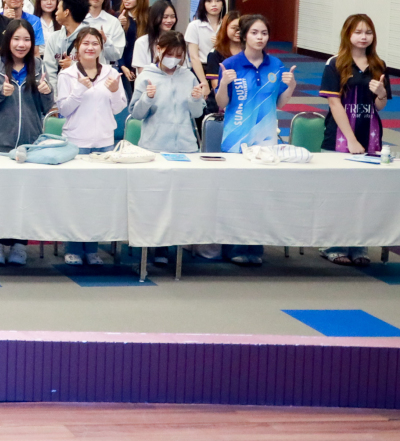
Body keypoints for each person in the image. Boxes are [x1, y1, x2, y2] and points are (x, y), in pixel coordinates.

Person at [0, 19, 56, 265]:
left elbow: (45, 107)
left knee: (24, 197)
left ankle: (20, 244)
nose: (21, 44)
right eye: (17, 39)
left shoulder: (38, 66)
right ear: (8, 40)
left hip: (29, 144)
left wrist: (46, 92)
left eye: (27, 40)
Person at [215, 13, 297, 267]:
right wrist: (223, 84)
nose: (260, 38)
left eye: (264, 33)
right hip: (236, 139)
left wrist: (291, 86)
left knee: (261, 195)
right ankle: (232, 246)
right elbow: (221, 103)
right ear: (244, 36)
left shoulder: (276, 65)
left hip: (266, 140)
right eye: (254, 33)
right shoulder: (231, 64)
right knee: (237, 195)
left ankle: (255, 247)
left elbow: (280, 103)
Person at [126, 30, 207, 268]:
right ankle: (155, 247)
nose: (174, 59)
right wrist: (147, 98)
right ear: (159, 50)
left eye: (179, 55)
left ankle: (179, 244)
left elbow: (197, 113)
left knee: (182, 200)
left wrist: (195, 99)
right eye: (171, 53)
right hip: (155, 147)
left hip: (185, 148)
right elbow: (136, 113)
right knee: (156, 201)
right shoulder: (146, 76)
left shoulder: (188, 76)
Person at [320, 14, 393, 266]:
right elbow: (334, 103)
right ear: (347, 34)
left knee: (364, 194)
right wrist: (350, 140)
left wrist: (381, 93)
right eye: (358, 32)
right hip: (340, 138)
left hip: (370, 136)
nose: (363, 37)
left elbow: (380, 106)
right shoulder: (335, 63)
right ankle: (333, 244)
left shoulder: (378, 64)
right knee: (339, 193)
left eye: (368, 32)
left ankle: (358, 244)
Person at [56, 26, 127, 265]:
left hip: (104, 143)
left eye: (95, 43)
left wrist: (115, 92)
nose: (90, 47)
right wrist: (79, 89)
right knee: (75, 198)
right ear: (77, 47)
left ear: (101, 47)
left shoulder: (111, 73)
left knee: (99, 199)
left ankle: (92, 248)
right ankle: (73, 247)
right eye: (85, 43)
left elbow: (118, 108)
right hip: (76, 143)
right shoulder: (67, 75)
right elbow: (63, 110)